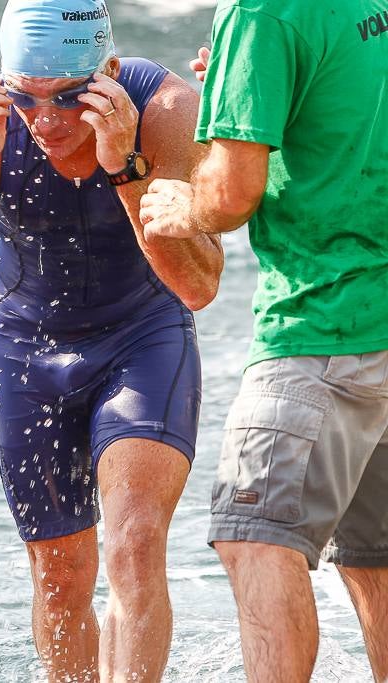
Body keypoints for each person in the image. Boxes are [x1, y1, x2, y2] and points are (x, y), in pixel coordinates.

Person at [0, 0, 225, 680]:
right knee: (62, 572)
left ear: (108, 72)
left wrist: (127, 167)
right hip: (27, 350)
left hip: (143, 337)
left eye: (69, 98)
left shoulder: (165, 110)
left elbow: (200, 283)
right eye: (26, 98)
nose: (44, 121)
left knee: (131, 543)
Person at [139, 2, 388, 680]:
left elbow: (231, 191)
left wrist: (182, 203)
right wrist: (248, 82)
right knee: (374, 553)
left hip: (324, 324)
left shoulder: (262, 11)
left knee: (253, 538)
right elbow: (346, 99)